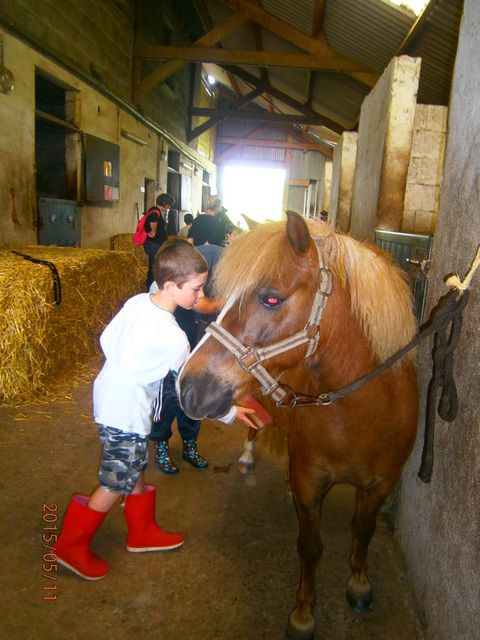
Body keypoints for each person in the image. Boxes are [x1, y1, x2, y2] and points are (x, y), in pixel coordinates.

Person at [55, 240, 258, 581]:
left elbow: (111, 334)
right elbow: (187, 388)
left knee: (133, 466)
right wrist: (229, 412)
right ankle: (71, 547)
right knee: (115, 480)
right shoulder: (173, 338)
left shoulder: (139, 301)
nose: (200, 294)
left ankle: (141, 531)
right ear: (171, 286)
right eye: (196, 288)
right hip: (127, 414)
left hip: (107, 399)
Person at [149, 241, 223, 475]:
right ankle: (161, 446)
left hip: (186, 354)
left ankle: (189, 446)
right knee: (166, 407)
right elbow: (203, 305)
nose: (200, 294)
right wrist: (230, 303)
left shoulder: (181, 288)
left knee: (189, 406)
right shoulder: (159, 293)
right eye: (197, 288)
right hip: (167, 365)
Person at [143, 193, 175, 290]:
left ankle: (152, 286)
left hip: (155, 244)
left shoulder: (154, 211)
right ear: (165, 204)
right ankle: (151, 287)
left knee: (155, 266)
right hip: (154, 245)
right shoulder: (154, 213)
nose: (168, 207)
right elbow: (153, 232)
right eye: (168, 205)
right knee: (154, 267)